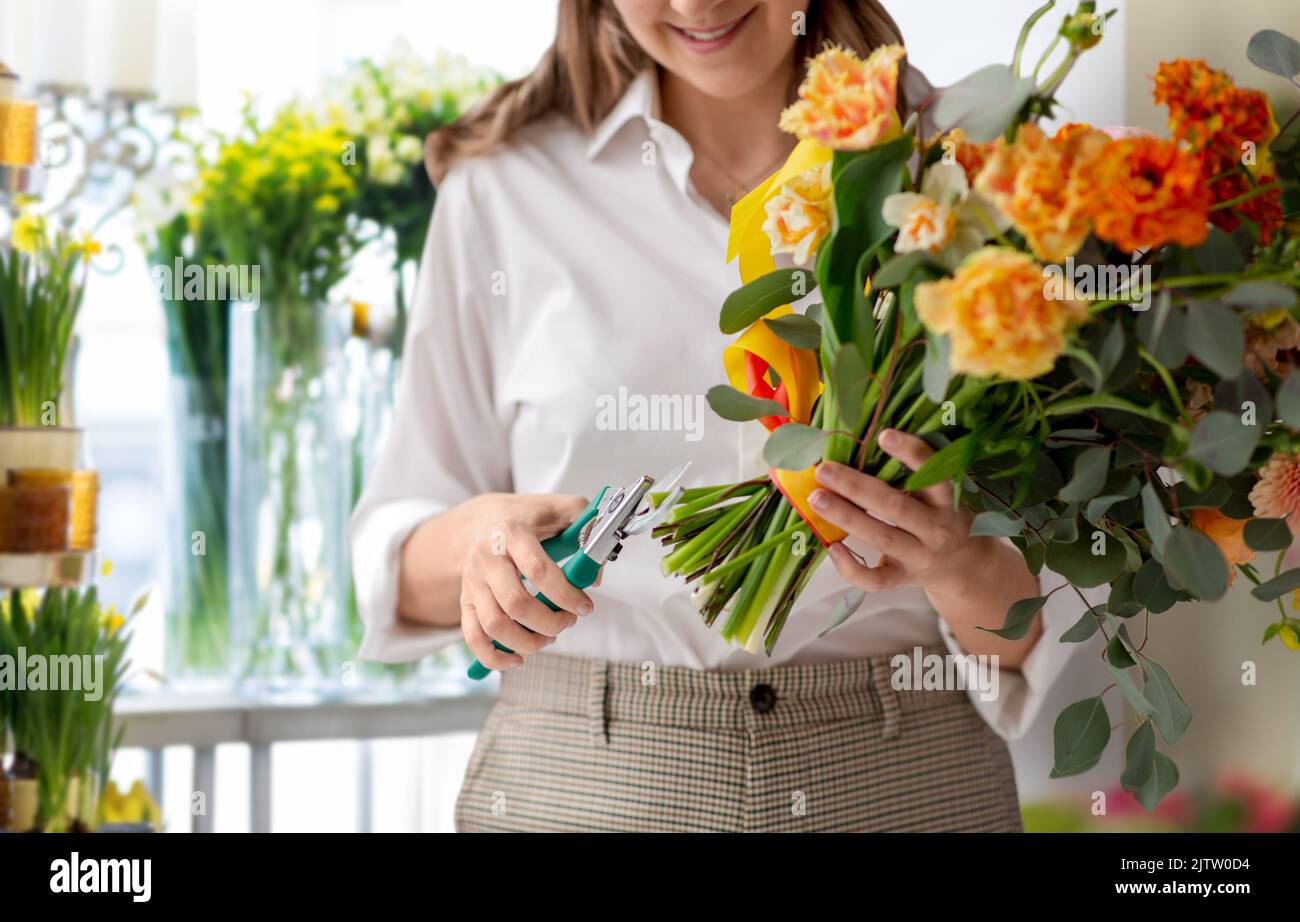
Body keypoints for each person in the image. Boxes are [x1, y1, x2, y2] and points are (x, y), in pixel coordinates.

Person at [350, 0, 1082, 832]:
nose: (696, 6)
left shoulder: (973, 170)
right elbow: (394, 558)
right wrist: (484, 547)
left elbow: (1026, 635)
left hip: (901, 779)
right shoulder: (504, 189)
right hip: (583, 786)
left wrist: (955, 563)